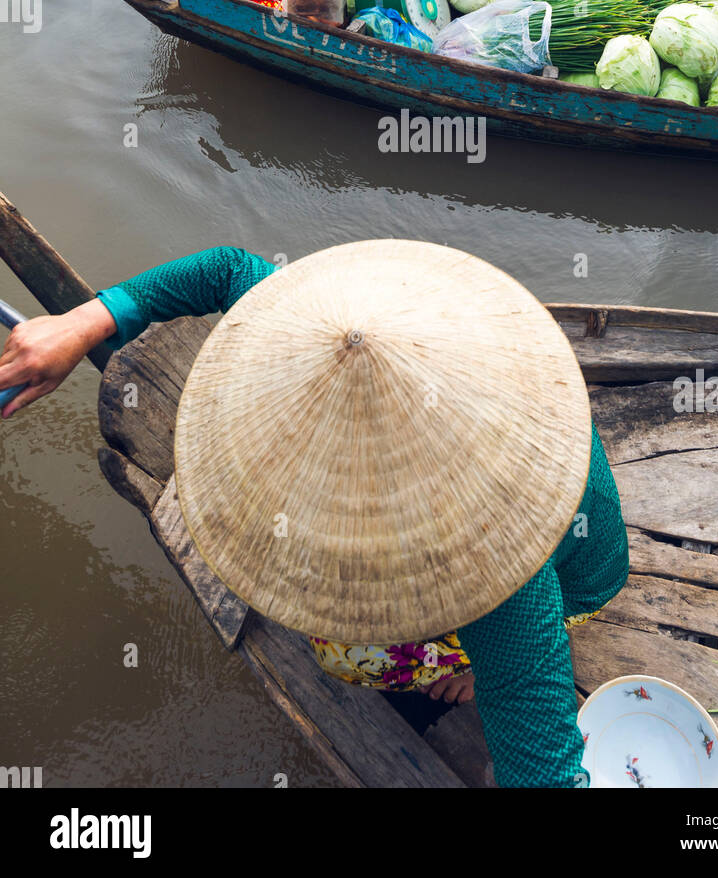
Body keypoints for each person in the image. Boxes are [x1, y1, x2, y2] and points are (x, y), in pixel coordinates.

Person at [0, 240, 628, 788]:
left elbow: (547, 774)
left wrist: (494, 670)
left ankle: (466, 661)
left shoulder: (496, 570)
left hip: (575, 582)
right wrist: (83, 322)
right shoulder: (341, 326)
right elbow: (224, 269)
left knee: (348, 654)